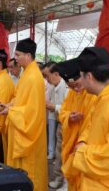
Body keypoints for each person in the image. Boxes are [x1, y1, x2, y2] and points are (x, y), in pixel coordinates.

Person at [69, 47, 109, 190]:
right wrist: (82, 140)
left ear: (89, 77)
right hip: (92, 179)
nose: (80, 81)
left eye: (81, 76)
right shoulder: (102, 98)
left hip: (106, 185)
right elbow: (90, 126)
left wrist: (82, 152)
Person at [0, 38, 48, 191]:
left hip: (29, 133)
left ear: (28, 55)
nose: (16, 58)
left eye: (18, 55)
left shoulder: (33, 77)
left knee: (29, 175)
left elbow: (32, 111)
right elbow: (20, 100)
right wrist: (8, 105)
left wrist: (10, 111)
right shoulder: (27, 73)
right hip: (19, 127)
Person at [56, 58, 97, 191]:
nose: (76, 89)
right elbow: (63, 111)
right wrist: (69, 117)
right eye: (72, 86)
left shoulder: (93, 93)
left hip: (84, 145)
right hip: (71, 143)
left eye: (78, 84)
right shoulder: (72, 94)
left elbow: (95, 122)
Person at [42, 61, 68, 189]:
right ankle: (59, 179)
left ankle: (65, 181)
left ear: (56, 74)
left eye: (47, 76)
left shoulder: (67, 86)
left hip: (68, 124)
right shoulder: (52, 86)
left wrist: (54, 107)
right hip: (60, 122)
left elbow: (70, 108)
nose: (46, 79)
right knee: (60, 154)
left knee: (66, 154)